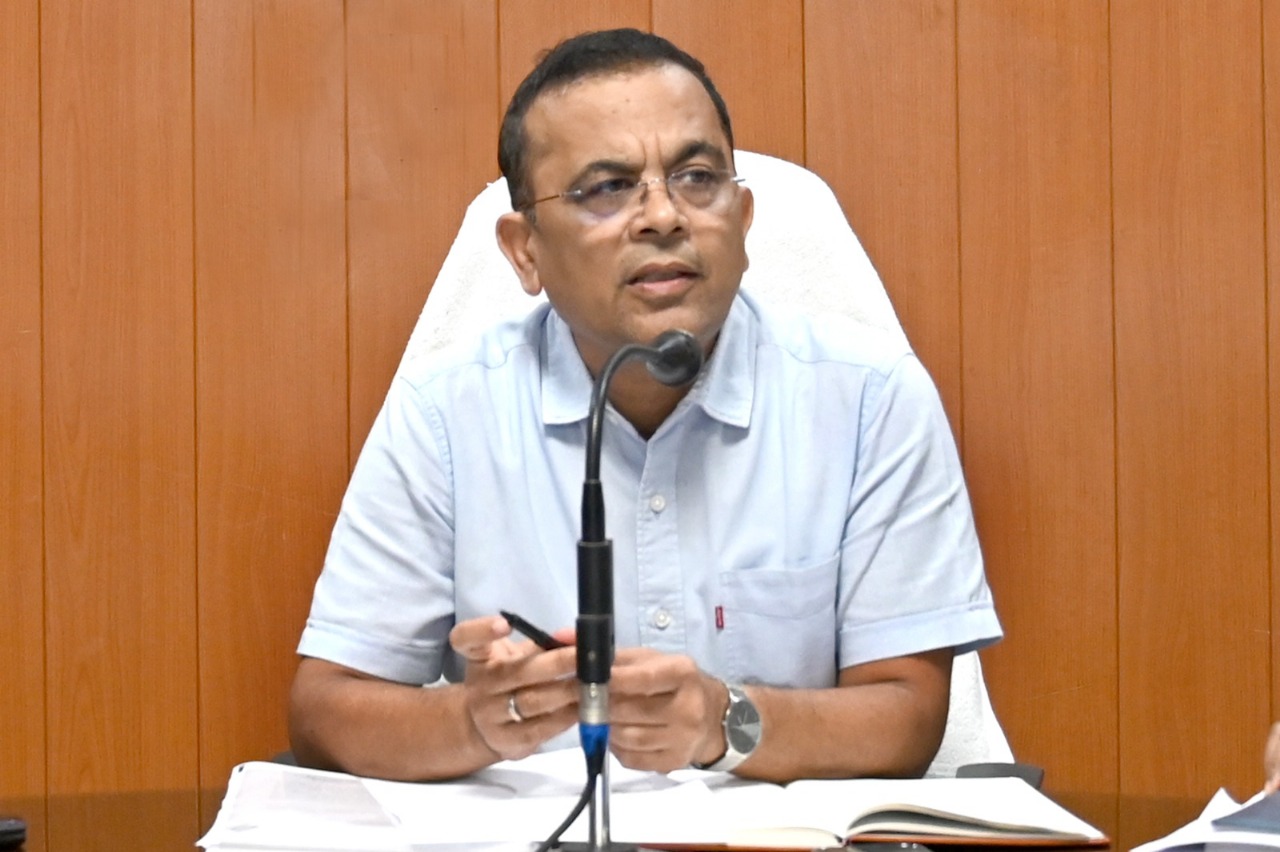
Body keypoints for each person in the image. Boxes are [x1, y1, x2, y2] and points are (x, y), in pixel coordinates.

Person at [288, 27, 1002, 784]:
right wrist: (473, 723)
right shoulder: (444, 414)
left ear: (743, 221)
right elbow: (326, 709)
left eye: (697, 177)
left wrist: (723, 719)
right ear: (525, 250)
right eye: (607, 188)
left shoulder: (870, 399)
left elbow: (908, 717)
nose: (663, 216)